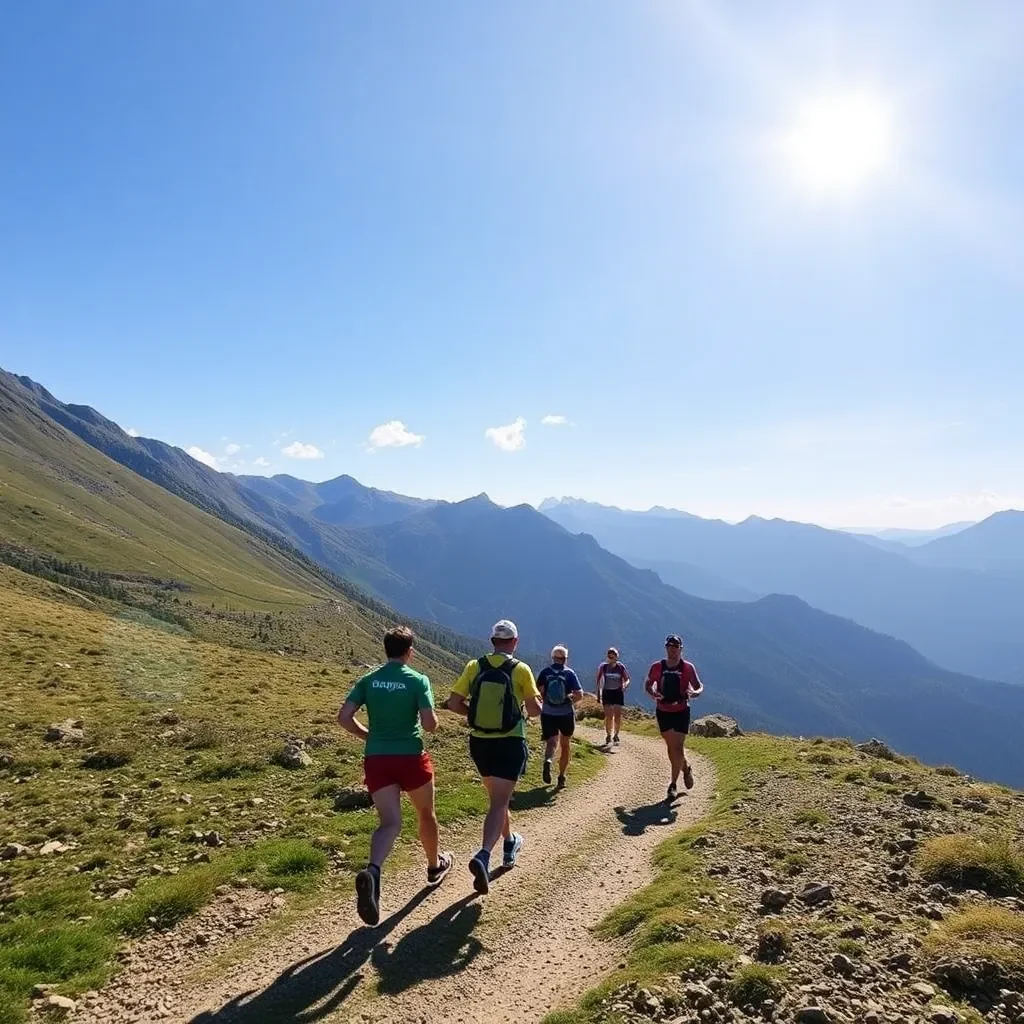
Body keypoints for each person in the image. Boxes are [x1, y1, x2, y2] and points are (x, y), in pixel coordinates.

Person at [338, 626, 454, 926]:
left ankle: (373, 871)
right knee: (426, 813)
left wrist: (368, 736)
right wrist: (432, 719)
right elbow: (429, 725)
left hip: (377, 757)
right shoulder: (418, 680)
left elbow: (344, 717)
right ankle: (433, 865)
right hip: (410, 756)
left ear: (385, 649)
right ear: (410, 651)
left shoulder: (369, 680)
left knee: (389, 822)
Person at [447, 619, 541, 894]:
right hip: (510, 741)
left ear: (492, 641)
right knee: (499, 803)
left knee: (496, 800)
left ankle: (510, 841)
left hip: (480, 743)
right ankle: (484, 855)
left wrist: (475, 717)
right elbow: (534, 711)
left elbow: (453, 703)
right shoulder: (521, 669)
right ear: (515, 641)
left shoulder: (474, 666)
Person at [645, 634, 704, 802]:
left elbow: (699, 686)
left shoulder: (687, 667)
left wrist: (696, 693)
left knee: (677, 748)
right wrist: (653, 693)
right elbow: (648, 684)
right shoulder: (657, 667)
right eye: (669, 646)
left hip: (681, 710)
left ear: (680, 649)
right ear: (666, 648)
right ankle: (686, 768)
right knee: (672, 749)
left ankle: (673, 785)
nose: (672, 649)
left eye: (675, 646)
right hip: (663, 710)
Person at [536, 644, 584, 788]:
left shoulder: (545, 672)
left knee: (551, 741)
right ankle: (562, 777)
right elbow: (579, 695)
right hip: (566, 713)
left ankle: (548, 760)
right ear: (565, 659)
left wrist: (546, 700)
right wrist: (568, 700)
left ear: (553, 657)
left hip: (548, 713)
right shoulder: (569, 673)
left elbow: (538, 690)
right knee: (565, 744)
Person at [595, 647, 630, 746]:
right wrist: (598, 694)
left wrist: (624, 685)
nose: (611, 659)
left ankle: (616, 734)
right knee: (609, 716)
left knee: (618, 716)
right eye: (609, 657)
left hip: (618, 692)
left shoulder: (620, 667)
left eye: (613, 657)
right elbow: (598, 681)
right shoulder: (603, 667)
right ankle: (608, 734)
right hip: (607, 693)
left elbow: (627, 679)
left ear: (616, 657)